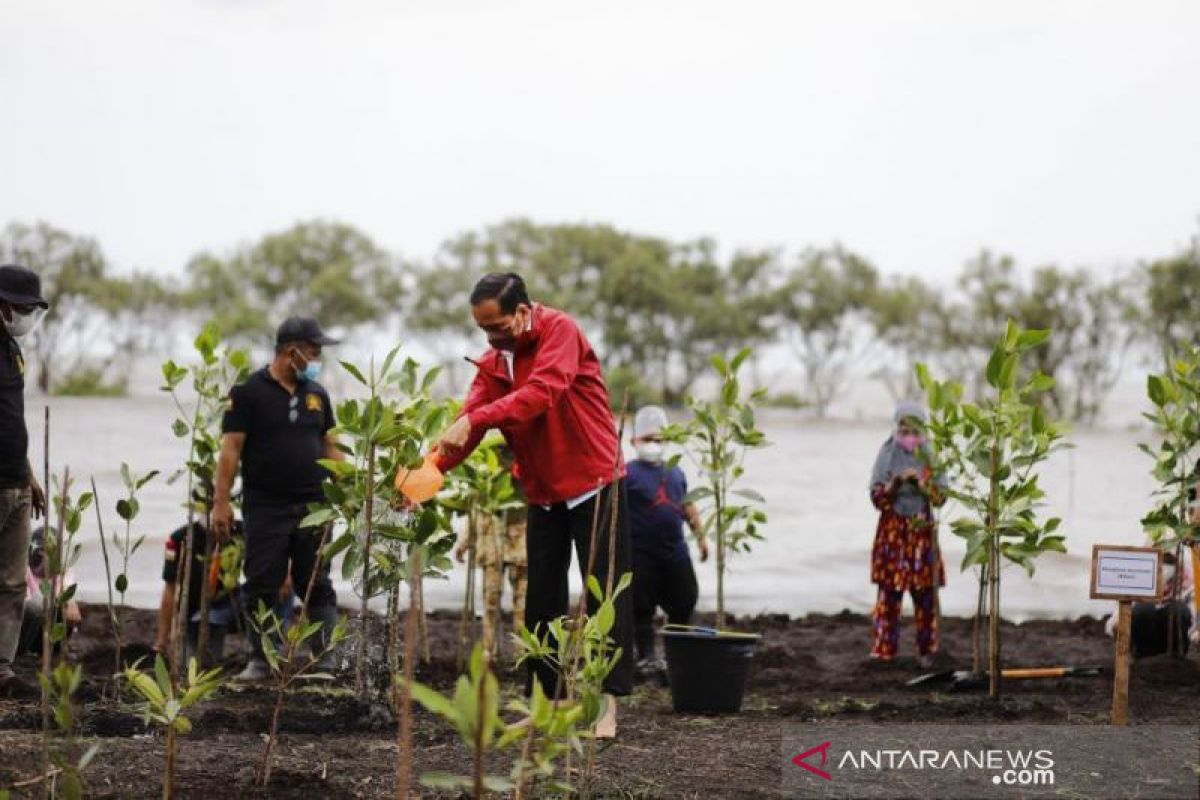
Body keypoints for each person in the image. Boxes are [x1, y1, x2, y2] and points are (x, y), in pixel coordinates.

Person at [435, 272, 633, 737]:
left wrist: (475, 418)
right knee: (541, 601)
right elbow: (467, 432)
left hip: (595, 481)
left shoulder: (560, 331)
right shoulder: (493, 362)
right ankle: (548, 706)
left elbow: (544, 393)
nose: (494, 337)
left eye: (499, 326)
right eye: (485, 331)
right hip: (543, 491)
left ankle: (606, 710)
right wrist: (422, 480)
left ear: (523, 311)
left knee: (605, 593)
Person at [213, 317, 343, 681]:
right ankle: (261, 659)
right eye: (314, 352)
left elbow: (330, 446)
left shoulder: (317, 394)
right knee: (261, 581)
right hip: (265, 506)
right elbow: (230, 451)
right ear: (292, 351)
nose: (318, 360)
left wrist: (347, 492)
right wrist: (220, 503)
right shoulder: (247, 392)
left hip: (314, 506)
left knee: (315, 580)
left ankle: (325, 660)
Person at [625, 405, 707, 676]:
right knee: (641, 607)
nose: (652, 445)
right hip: (640, 553)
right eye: (647, 440)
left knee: (685, 600)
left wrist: (701, 537)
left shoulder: (676, 472)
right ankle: (647, 658)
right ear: (633, 441)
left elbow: (688, 505)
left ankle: (676, 656)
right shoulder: (626, 474)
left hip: (675, 551)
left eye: (658, 440)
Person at [0, 264, 49, 699]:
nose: (27, 316)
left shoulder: (12, 352)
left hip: (15, 480)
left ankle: (3, 669)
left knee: (14, 581)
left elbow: (11, 421)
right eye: (21, 307)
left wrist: (30, 475)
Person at [868, 401, 947, 667]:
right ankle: (884, 651)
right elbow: (877, 497)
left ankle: (927, 651)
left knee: (925, 594)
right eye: (904, 429)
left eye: (914, 430)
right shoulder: (886, 454)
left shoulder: (930, 456)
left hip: (921, 531)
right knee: (889, 593)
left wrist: (923, 485)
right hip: (893, 532)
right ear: (896, 428)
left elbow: (941, 497)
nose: (909, 435)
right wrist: (896, 483)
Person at [453, 449, 529, 660]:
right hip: (492, 533)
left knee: (523, 602)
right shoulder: (486, 459)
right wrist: (465, 540)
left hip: (522, 533)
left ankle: (521, 651)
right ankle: (489, 650)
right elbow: (476, 501)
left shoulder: (527, 452)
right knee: (491, 599)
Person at [152, 509, 241, 666]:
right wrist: (161, 641)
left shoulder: (242, 533)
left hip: (234, 604)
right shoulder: (180, 538)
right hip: (195, 612)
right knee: (197, 664)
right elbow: (170, 589)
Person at [19, 526, 81, 657]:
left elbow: (66, 588)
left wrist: (69, 602)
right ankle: (23, 650)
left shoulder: (63, 572)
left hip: (49, 633)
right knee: (34, 607)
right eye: (44, 552)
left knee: (65, 607)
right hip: (28, 628)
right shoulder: (24, 571)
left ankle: (55, 649)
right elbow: (26, 602)